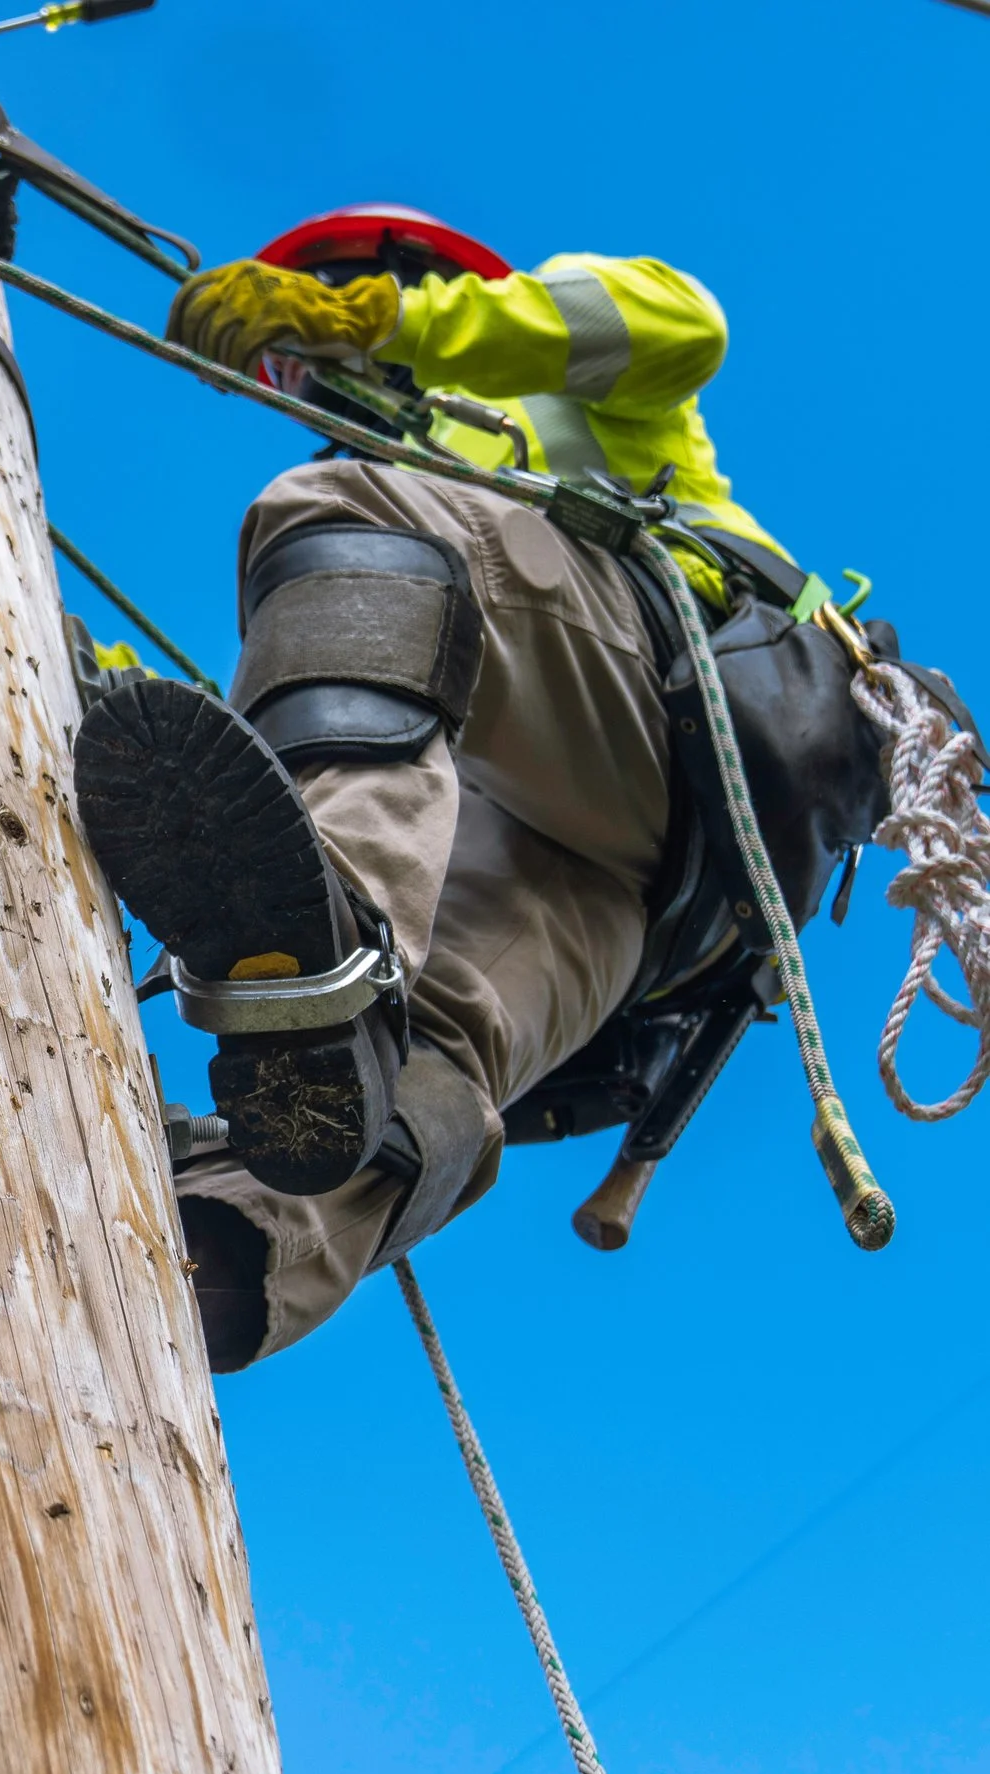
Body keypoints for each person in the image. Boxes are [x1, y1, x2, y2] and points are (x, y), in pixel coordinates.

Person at [75, 204, 909, 1373]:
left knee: (337, 518)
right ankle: (222, 1257)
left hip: (675, 691)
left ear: (413, 279)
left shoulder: (534, 392)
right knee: (428, 1058)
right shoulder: (418, 528)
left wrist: (386, 322)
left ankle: (331, 965)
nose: (304, 371)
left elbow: (681, 322)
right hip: (645, 889)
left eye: (323, 320)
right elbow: (333, 732)